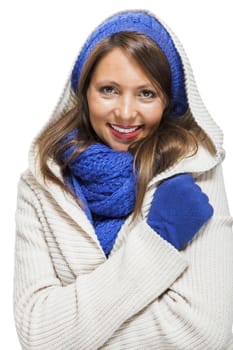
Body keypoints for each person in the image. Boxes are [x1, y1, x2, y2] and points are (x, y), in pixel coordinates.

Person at [14, 9, 233, 350]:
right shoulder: (39, 185)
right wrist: (158, 240)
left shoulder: (194, 172)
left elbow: (205, 334)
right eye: (109, 90)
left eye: (146, 93)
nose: (126, 113)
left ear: (168, 101)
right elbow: (38, 336)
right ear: (84, 92)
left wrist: (74, 332)